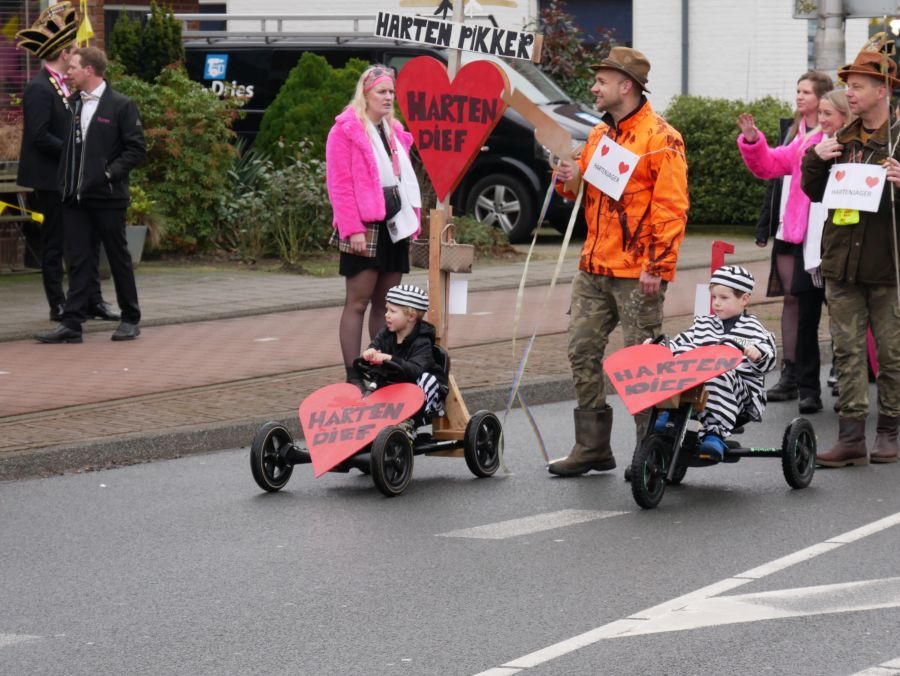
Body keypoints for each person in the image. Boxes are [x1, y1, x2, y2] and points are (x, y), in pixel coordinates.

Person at [547, 46, 689, 476]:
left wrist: (657, 266)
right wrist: (568, 178)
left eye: (601, 81)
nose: (594, 88)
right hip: (593, 267)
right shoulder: (598, 136)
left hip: (636, 272)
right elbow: (583, 192)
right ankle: (592, 447)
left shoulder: (662, 139)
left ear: (626, 86)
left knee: (640, 365)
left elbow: (671, 208)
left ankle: (650, 451)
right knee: (581, 350)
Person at [801, 37, 900, 466]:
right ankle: (851, 437)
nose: (850, 93)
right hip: (841, 263)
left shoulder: (897, 138)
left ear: (883, 91)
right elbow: (814, 192)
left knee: (892, 353)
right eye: (849, 86)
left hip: (888, 266)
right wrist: (815, 159)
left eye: (858, 86)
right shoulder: (843, 137)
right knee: (847, 352)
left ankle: (890, 432)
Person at [736, 71, 833, 415]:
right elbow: (770, 167)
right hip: (796, 233)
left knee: (840, 309)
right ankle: (804, 386)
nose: (799, 96)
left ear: (823, 99)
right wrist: (752, 141)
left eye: (806, 91)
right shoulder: (798, 136)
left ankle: (846, 375)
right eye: (798, 91)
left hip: (831, 236)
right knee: (801, 310)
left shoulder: (839, 136)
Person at [34, 46, 146, 344]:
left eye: (72, 67)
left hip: (108, 197)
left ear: (89, 70)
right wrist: (65, 182)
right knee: (78, 259)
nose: (68, 72)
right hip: (75, 197)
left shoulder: (121, 105)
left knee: (118, 257)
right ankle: (72, 323)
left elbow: (136, 148)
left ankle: (130, 318)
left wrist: (108, 174)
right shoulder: (73, 105)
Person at [15, 2, 118, 323]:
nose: (75, 56)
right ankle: (57, 303)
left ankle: (91, 300)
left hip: (72, 176)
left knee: (85, 239)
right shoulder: (38, 88)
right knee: (55, 242)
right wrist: (76, 151)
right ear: (63, 54)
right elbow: (39, 135)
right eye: (72, 51)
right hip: (50, 178)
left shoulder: (66, 86)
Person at [326, 64, 422, 385]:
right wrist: (351, 227)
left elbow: (404, 181)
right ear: (365, 94)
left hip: (395, 223)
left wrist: (412, 223)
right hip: (364, 225)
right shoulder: (345, 130)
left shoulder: (394, 132)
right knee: (358, 303)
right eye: (381, 91)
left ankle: (379, 370)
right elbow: (339, 184)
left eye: (391, 92)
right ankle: (353, 375)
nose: (388, 97)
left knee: (386, 305)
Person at [659, 266, 777, 459]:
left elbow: (768, 356)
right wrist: (659, 347)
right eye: (714, 297)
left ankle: (715, 433)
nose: (717, 303)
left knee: (718, 370)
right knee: (681, 354)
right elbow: (681, 341)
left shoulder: (754, 329)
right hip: (703, 386)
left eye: (724, 298)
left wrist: (759, 353)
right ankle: (672, 413)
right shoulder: (703, 324)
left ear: (744, 299)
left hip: (741, 395)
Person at [356, 284, 448, 428]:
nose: (386, 314)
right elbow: (375, 345)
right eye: (387, 309)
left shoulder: (422, 341)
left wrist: (389, 358)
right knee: (377, 382)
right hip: (393, 383)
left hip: (418, 385)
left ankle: (418, 420)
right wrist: (370, 353)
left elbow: (415, 370)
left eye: (392, 311)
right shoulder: (386, 333)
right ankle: (369, 419)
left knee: (426, 378)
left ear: (411, 316)